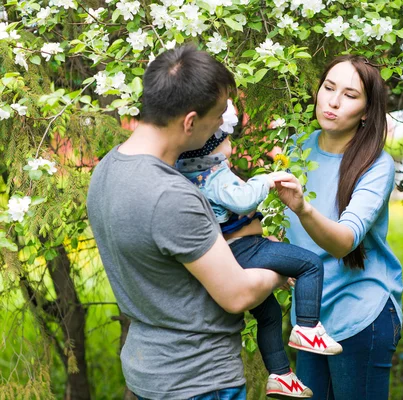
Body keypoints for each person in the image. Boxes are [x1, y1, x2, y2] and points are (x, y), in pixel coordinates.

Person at [86, 46, 287, 400]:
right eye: (219, 117)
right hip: (198, 381)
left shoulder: (107, 170)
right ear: (191, 122)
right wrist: (280, 264)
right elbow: (237, 294)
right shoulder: (171, 196)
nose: (222, 129)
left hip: (147, 373)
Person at [175, 101, 343, 399]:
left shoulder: (188, 174)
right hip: (245, 249)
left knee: (268, 315)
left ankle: (280, 375)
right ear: (213, 146)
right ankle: (306, 327)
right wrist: (264, 180)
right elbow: (242, 202)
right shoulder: (214, 175)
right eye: (226, 139)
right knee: (311, 264)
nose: (230, 145)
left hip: (230, 254)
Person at [273, 55, 403, 400]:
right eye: (329, 88)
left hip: (360, 315)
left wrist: (302, 208)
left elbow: (344, 242)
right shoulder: (296, 149)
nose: (332, 101)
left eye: (349, 95)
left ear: (366, 111)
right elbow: (280, 227)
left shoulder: (376, 165)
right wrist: (282, 256)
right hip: (311, 320)